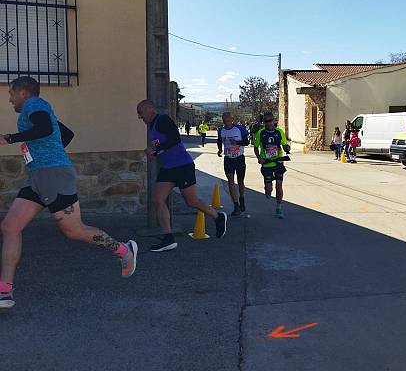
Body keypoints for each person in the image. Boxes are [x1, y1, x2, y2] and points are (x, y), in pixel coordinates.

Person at [0, 77, 138, 309]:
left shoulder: (34, 105)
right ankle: (5, 291)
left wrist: (9, 138)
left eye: (11, 93)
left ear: (23, 93)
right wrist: (50, 150)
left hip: (54, 176)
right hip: (38, 177)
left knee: (74, 231)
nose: (10, 98)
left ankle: (124, 250)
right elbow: (64, 133)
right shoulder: (41, 109)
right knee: (10, 227)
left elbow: (43, 128)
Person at [137, 100, 227, 252]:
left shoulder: (162, 120)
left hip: (182, 166)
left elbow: (175, 139)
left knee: (191, 201)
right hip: (168, 168)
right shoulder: (152, 125)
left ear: (150, 108)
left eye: (140, 112)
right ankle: (168, 237)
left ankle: (218, 217)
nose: (139, 116)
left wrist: (156, 149)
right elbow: (162, 145)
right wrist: (153, 150)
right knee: (158, 200)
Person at [254, 112, 290, 218]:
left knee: (279, 185)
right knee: (269, 190)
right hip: (267, 164)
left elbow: (284, 145)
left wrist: (287, 148)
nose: (269, 123)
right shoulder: (260, 133)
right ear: (264, 122)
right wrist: (259, 158)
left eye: (271, 120)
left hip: (278, 162)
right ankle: (267, 190)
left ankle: (279, 207)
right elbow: (256, 147)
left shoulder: (279, 132)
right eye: (266, 121)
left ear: (274, 121)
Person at [217, 112, 250, 216]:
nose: (227, 123)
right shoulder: (221, 130)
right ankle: (236, 205)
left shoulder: (239, 129)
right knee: (230, 182)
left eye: (229, 121)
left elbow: (247, 142)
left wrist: (237, 143)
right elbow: (219, 140)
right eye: (225, 121)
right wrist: (219, 149)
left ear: (232, 120)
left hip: (239, 158)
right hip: (228, 159)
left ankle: (242, 197)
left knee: (240, 181)